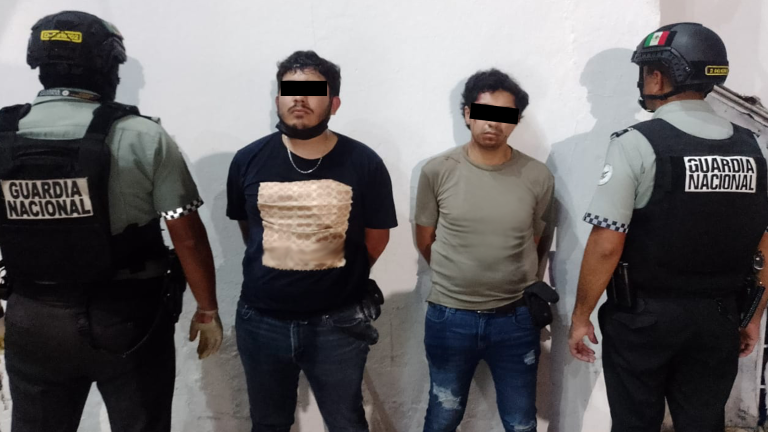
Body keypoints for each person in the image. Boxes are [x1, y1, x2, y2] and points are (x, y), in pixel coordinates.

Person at [0, 11, 223, 432]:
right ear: (107, 66)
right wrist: (207, 309)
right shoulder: (142, 135)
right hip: (126, 320)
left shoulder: (3, 133)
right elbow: (187, 236)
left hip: (32, 318)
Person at [568, 22, 768, 432]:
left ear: (658, 77)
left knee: (635, 423)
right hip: (719, 316)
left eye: (645, 73)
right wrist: (753, 315)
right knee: (703, 422)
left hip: (644, 319)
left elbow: (607, 242)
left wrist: (581, 315)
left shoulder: (636, 143)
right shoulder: (752, 148)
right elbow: (764, 242)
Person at [226, 50, 397, 432]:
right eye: (290, 90)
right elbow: (251, 230)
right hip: (261, 320)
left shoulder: (364, 162)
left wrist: (338, 275)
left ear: (334, 103)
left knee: (347, 422)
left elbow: (377, 236)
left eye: (313, 91)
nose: (299, 99)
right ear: (278, 100)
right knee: (268, 424)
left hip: (338, 322)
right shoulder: (247, 160)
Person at [415, 68, 554, 432]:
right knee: (443, 415)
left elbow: (535, 240)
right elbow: (425, 239)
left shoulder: (538, 176)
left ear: (516, 120)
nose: (493, 123)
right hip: (449, 316)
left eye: (504, 115)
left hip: (516, 318)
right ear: (467, 114)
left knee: (521, 421)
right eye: (484, 112)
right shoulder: (437, 170)